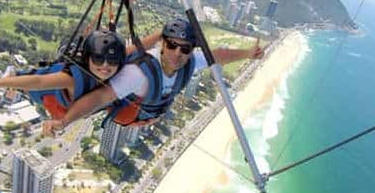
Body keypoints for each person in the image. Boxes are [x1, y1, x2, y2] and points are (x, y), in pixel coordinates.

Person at [42, 17, 264, 135]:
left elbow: (216, 55)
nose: (178, 53)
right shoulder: (138, 74)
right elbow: (99, 98)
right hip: (131, 117)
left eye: (185, 49)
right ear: (162, 44)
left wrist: (248, 54)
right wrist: (64, 122)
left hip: (152, 114)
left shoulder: (190, 61)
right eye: (172, 45)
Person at [0, 29, 159, 119]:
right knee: (38, 76)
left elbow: (139, 47)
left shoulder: (117, 63)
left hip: (80, 99)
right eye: (98, 60)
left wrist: (164, 33)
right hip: (49, 98)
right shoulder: (73, 77)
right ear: (88, 59)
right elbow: (38, 81)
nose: (105, 66)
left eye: (112, 61)